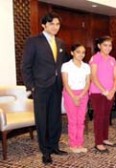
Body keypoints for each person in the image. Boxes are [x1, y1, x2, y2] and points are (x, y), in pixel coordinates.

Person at [21, 12, 68, 165]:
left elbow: (62, 65)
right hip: (40, 87)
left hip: (56, 86)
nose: (55, 27)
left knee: (55, 118)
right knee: (42, 120)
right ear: (44, 25)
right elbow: (25, 66)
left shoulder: (61, 42)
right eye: (52, 24)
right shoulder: (33, 41)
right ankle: (45, 152)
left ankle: (54, 146)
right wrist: (31, 87)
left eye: (57, 24)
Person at [89, 36, 116, 153]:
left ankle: (105, 138)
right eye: (105, 45)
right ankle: (98, 142)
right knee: (99, 117)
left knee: (106, 116)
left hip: (110, 93)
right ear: (99, 46)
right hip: (98, 92)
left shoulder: (112, 59)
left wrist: (113, 90)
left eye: (110, 45)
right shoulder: (95, 58)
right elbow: (93, 77)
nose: (108, 47)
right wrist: (105, 91)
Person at [61, 44, 90, 153]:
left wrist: (81, 95)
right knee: (73, 120)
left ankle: (80, 143)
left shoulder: (86, 66)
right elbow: (65, 83)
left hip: (83, 93)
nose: (81, 54)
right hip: (70, 94)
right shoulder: (66, 66)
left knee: (81, 120)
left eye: (83, 52)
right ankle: (73, 144)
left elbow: (87, 83)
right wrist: (74, 97)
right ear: (72, 53)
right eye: (78, 52)